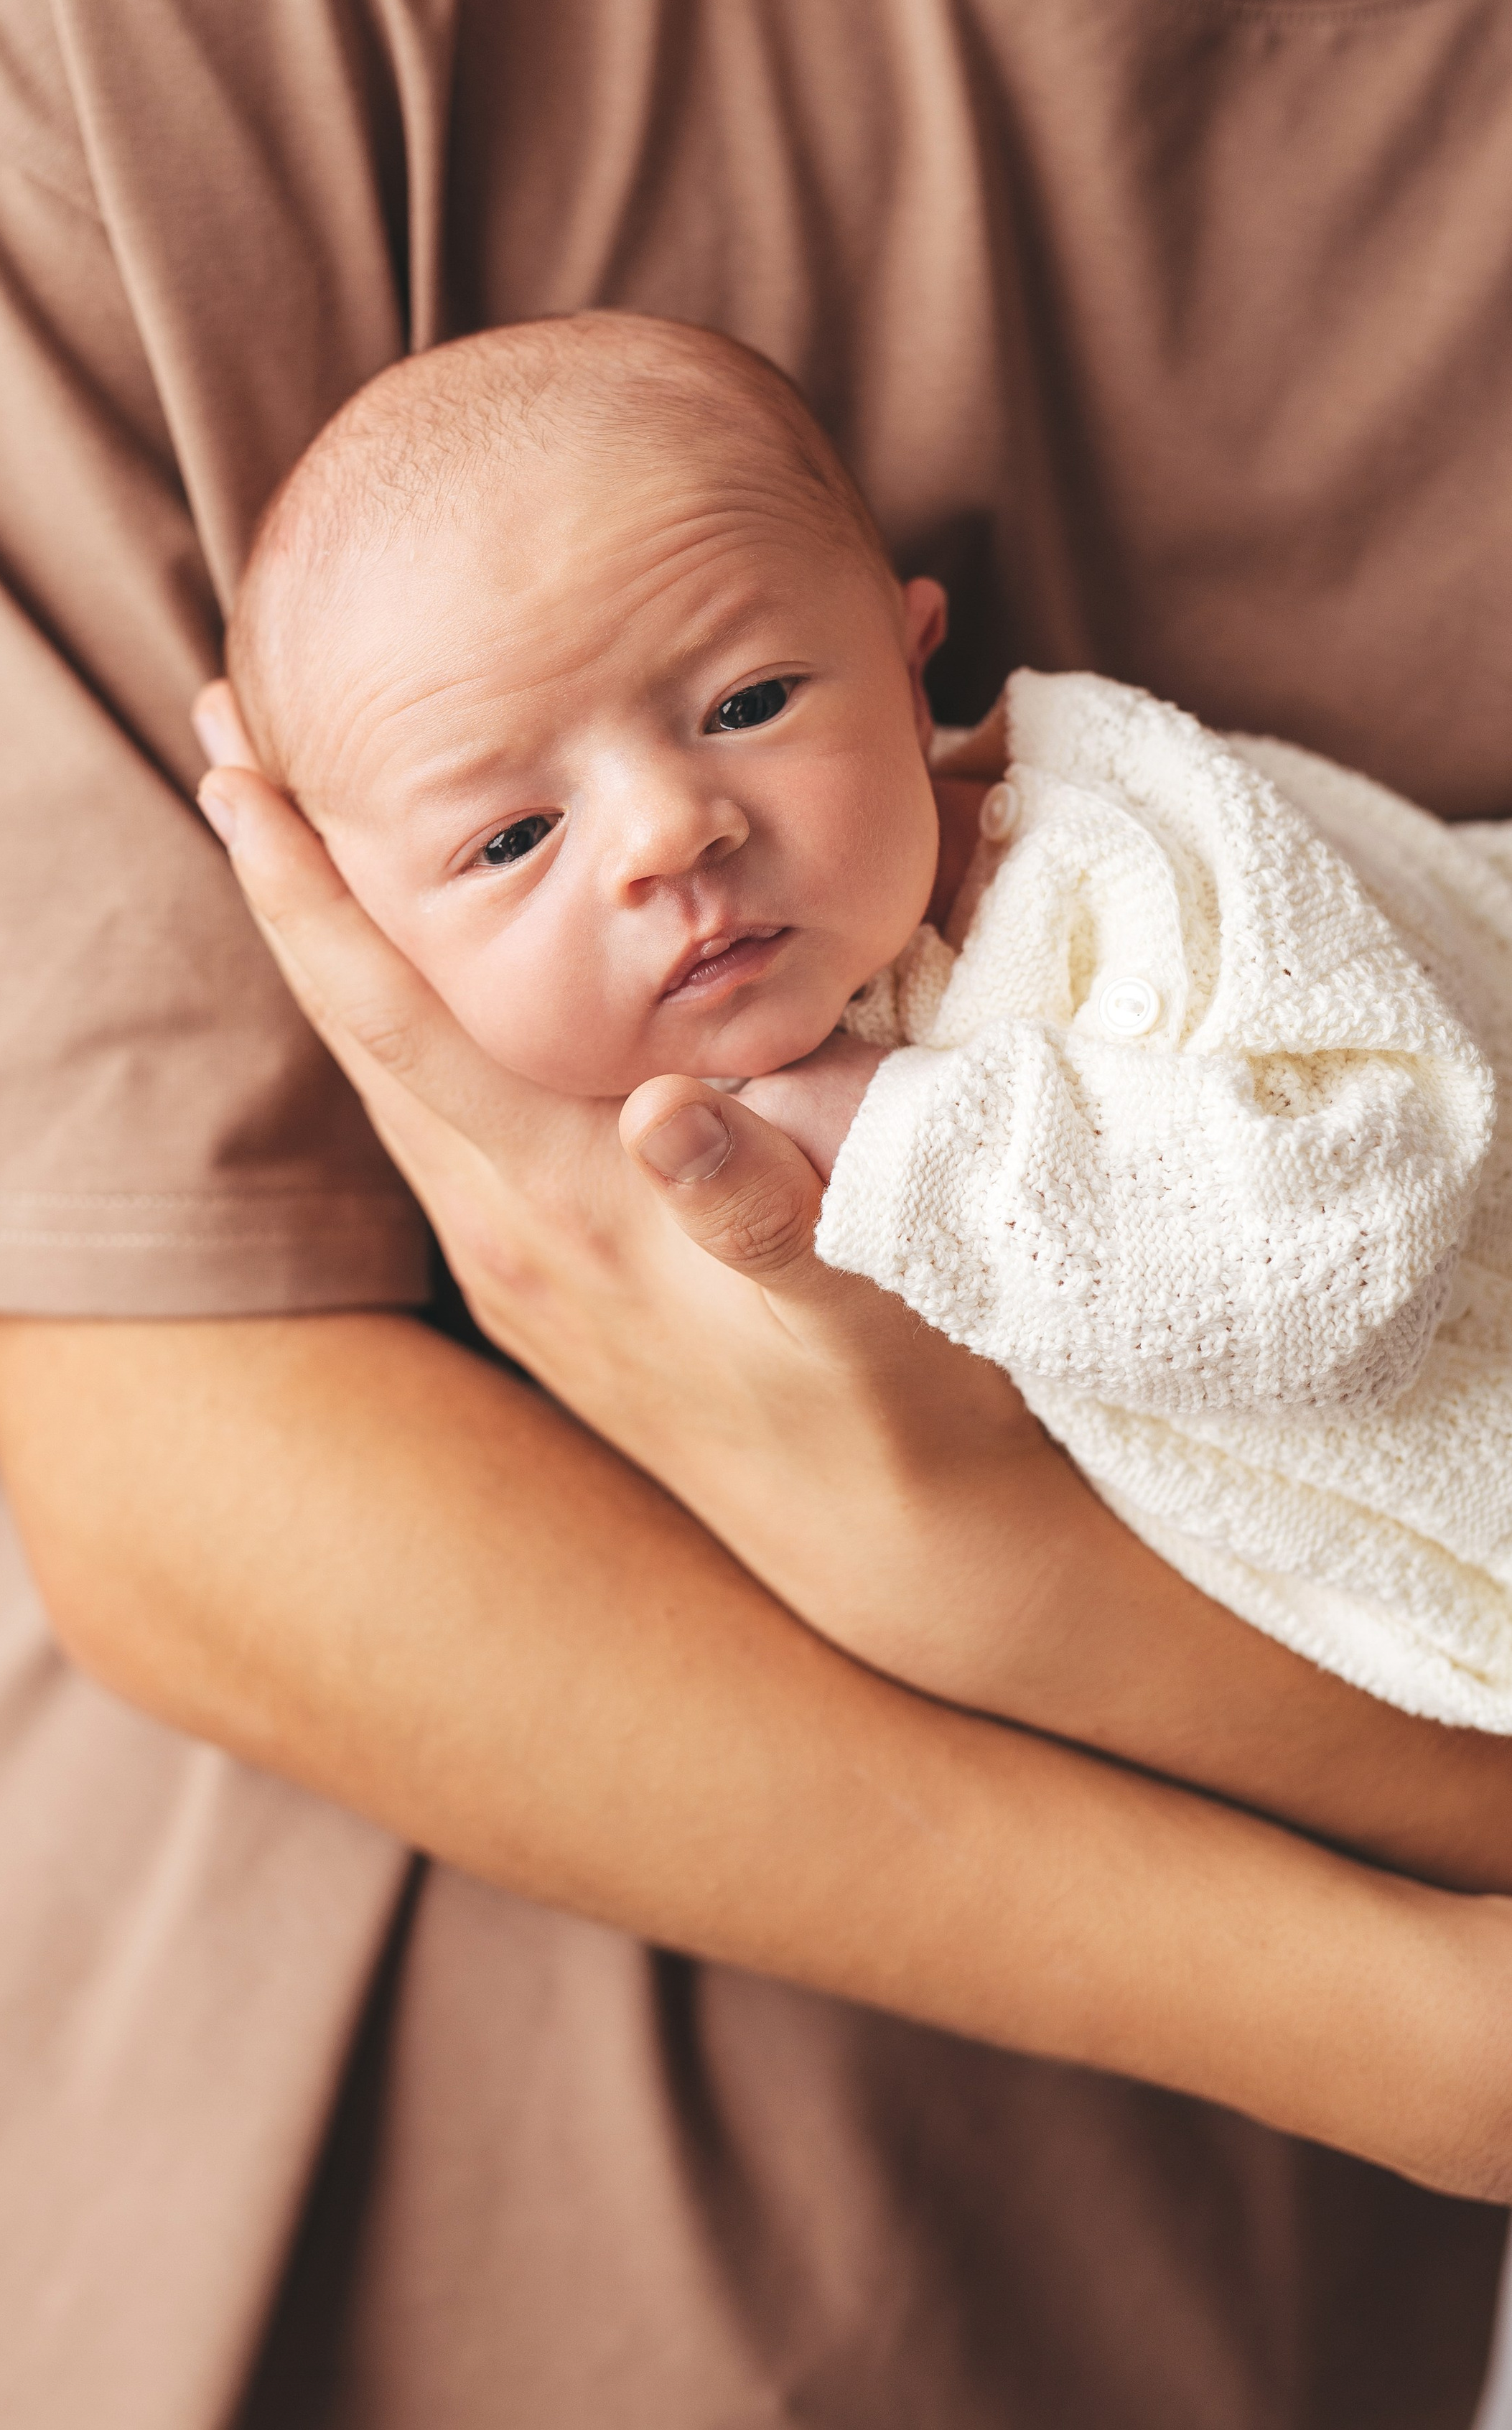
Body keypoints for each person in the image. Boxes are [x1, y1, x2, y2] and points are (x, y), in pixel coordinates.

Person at [0, 0, 1512, 2422]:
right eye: (521, 832)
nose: (668, 849)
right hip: (141, 2255)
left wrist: (948, 1518)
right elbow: (189, 1479)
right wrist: (1409, 2028)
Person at [223, 309, 1512, 1731]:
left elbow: (1351, 1238)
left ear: (910, 673)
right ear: (372, 939)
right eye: (513, 836)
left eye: (748, 700)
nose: (664, 831)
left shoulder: (1115, 873)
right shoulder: (577, 1207)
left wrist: (902, 1134)